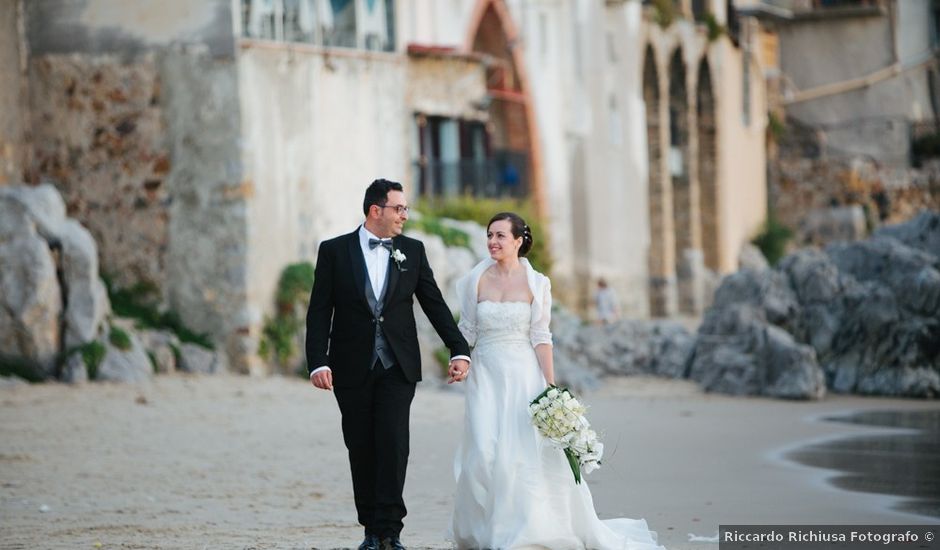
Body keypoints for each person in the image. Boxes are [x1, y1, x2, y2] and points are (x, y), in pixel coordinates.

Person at [448, 212, 665, 550]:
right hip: (485, 374)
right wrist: (458, 360)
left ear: (519, 241)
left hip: (523, 375)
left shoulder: (538, 283)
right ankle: (481, 524)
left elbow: (541, 336)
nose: (492, 241)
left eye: (501, 236)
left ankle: (514, 530)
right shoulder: (474, 279)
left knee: (519, 453)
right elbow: (467, 331)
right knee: (482, 450)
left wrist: (550, 388)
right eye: (490, 234)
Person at [305, 179, 471, 550]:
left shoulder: (412, 249)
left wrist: (458, 349)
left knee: (394, 444)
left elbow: (434, 303)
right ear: (375, 211)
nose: (405, 216)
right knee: (360, 446)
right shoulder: (333, 251)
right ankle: (370, 531)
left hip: (398, 366)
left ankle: (391, 531)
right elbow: (319, 311)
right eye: (399, 209)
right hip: (349, 366)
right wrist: (318, 361)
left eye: (406, 209)